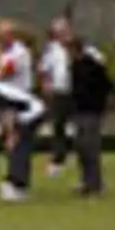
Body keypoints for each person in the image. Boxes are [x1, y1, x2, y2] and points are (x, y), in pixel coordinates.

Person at [0, 77, 45, 202]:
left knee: (18, 147)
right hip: (33, 111)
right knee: (19, 148)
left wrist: (10, 134)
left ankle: (14, 184)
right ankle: (18, 184)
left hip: (30, 113)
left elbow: (7, 113)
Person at [69, 31, 114, 198]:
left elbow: (107, 85)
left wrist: (99, 102)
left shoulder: (93, 66)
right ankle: (85, 180)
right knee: (80, 146)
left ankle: (95, 183)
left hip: (92, 111)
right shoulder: (74, 66)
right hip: (79, 110)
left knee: (90, 146)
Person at [39, 17, 75, 178]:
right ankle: (58, 159)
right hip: (59, 92)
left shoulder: (80, 47)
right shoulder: (51, 49)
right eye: (57, 32)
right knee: (58, 126)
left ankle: (76, 154)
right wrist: (46, 83)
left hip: (76, 92)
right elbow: (44, 69)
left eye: (63, 31)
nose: (61, 35)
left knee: (80, 126)